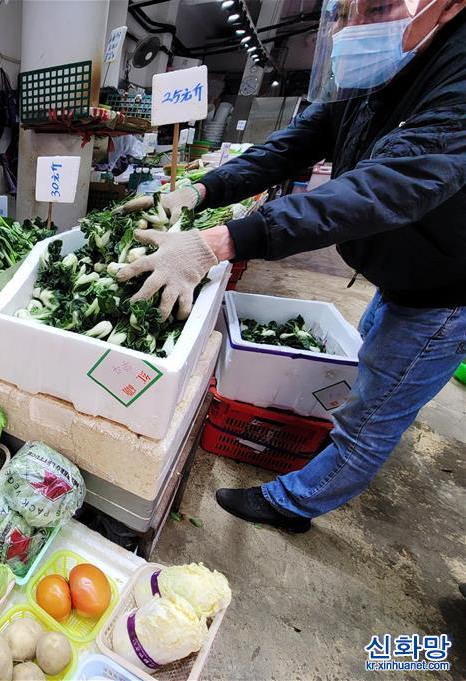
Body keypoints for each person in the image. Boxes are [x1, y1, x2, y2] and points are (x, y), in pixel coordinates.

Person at [118, 0, 466, 532]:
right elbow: (289, 147)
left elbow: (383, 187)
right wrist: (203, 189)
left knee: (373, 415)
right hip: (402, 271)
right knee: (369, 365)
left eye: (374, 11)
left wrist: (223, 240)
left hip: (444, 290)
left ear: (447, 7)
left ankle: (294, 503)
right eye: (346, 14)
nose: (354, 31)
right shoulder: (389, 66)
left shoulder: (458, 79)